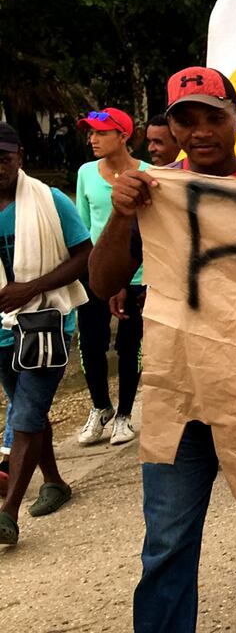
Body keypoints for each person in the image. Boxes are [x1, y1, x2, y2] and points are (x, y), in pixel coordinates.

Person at [87, 66, 236, 633]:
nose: (201, 131)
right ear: (172, 127)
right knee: (168, 537)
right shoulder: (154, 194)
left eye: (213, 116)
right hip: (181, 391)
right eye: (187, 120)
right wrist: (120, 213)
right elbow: (104, 283)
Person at [0, 122, 92, 546]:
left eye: (5, 158)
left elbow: (85, 256)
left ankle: (7, 515)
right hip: (2, 331)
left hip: (46, 322)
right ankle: (54, 481)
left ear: (21, 157)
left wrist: (32, 287)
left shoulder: (49, 200)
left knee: (25, 412)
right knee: (28, 411)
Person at [74, 107, 149, 447]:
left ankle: (125, 414)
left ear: (123, 136)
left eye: (101, 133)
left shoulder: (148, 173)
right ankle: (100, 407)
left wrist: (127, 276)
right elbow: (83, 228)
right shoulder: (86, 173)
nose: (92, 139)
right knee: (90, 343)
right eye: (90, 133)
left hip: (137, 275)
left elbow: (152, 231)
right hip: (96, 274)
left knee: (129, 345)